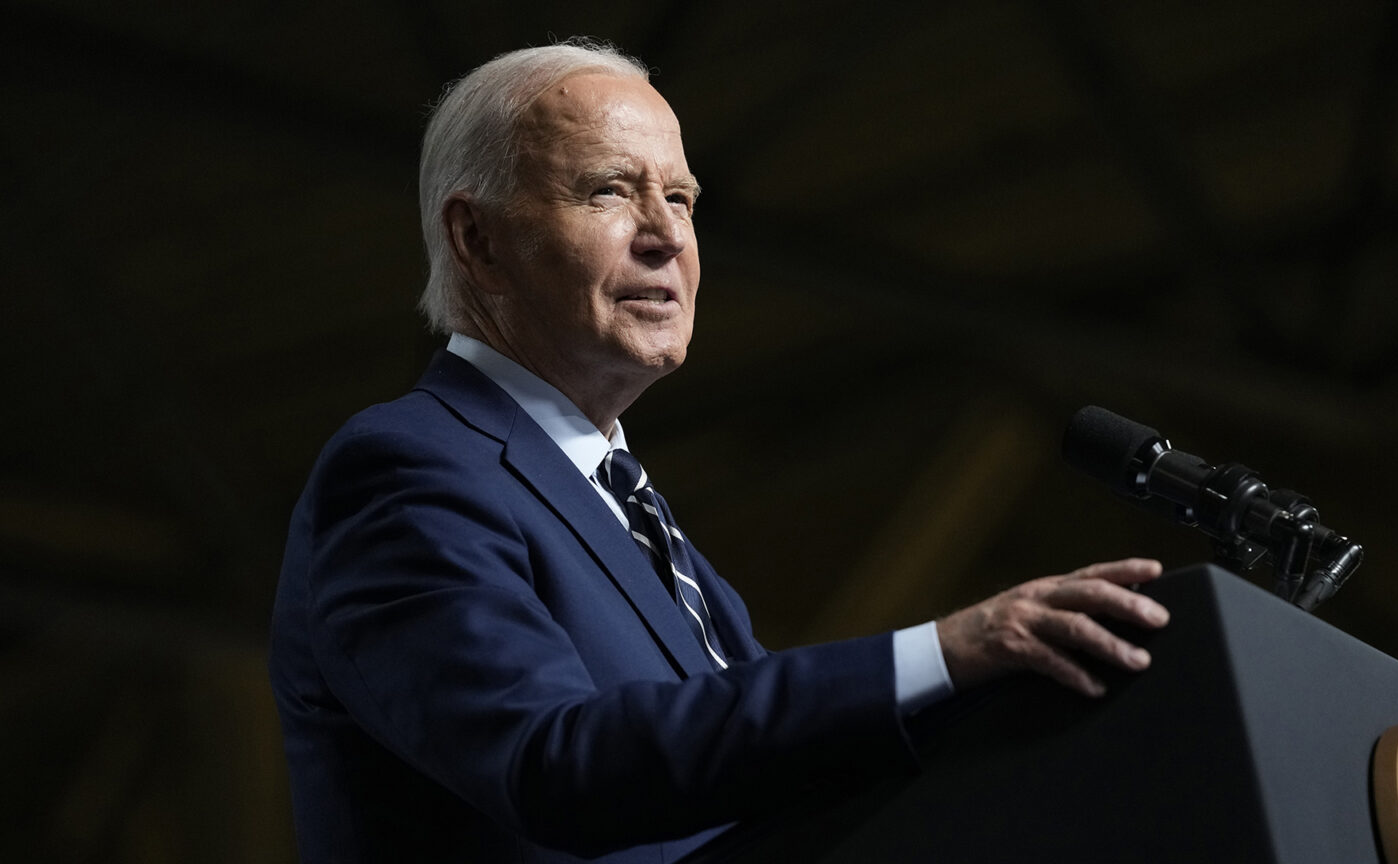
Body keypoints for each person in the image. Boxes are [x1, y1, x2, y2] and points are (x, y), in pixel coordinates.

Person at [268, 39, 1171, 864]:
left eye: (682, 198)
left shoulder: (649, 532)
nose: (665, 234)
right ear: (478, 240)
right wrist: (941, 655)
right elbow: (552, 763)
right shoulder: (407, 468)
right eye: (610, 191)